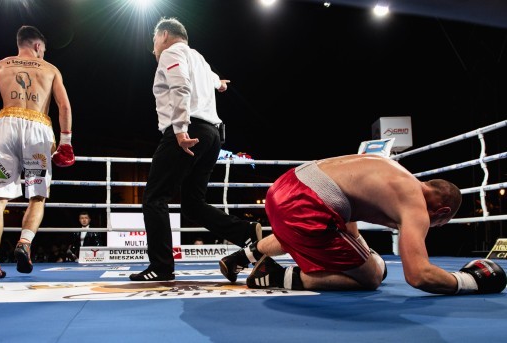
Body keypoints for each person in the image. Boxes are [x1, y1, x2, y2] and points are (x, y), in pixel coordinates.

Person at [220, 154, 507, 295]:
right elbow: (418, 275)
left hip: (284, 187)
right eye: (441, 222)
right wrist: (471, 282)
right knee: (372, 277)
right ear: (442, 211)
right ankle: (272, 275)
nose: (435, 226)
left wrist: (362, 253)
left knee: (309, 234)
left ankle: (240, 257)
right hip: (307, 205)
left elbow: (348, 223)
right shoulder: (415, 204)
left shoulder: (393, 170)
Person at [129, 17, 261, 282]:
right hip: (212, 136)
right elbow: (214, 80)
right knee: (192, 203)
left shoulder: (171, 53)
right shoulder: (199, 58)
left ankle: (161, 267)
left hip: (188, 131)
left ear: (164, 35)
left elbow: (180, 86)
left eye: (154, 40)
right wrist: (220, 84)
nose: (153, 47)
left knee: (155, 198)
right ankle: (245, 232)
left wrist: (179, 129)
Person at [0, 25, 75, 280]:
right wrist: (66, 143)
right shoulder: (50, 69)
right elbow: (64, 106)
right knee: (37, 195)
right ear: (38, 46)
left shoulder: (0, 66)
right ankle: (25, 242)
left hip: (5, 127)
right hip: (38, 130)